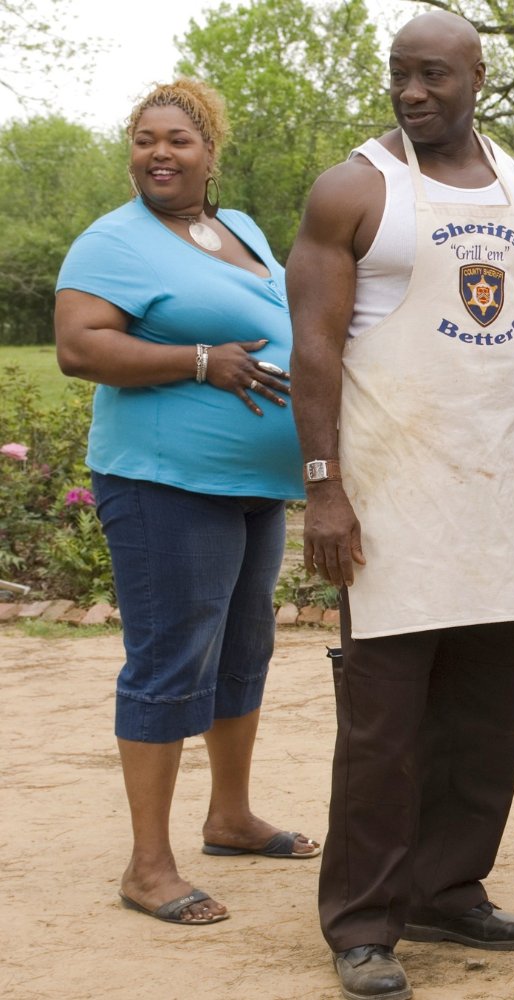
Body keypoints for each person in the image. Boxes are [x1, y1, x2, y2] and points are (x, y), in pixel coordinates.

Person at [285, 12, 514, 1000]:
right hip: (386, 490)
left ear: (475, 76)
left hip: (493, 481)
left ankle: (448, 883)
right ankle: (365, 921)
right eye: (397, 76)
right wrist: (324, 488)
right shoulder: (355, 189)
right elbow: (314, 348)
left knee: (483, 709)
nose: (411, 92)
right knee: (384, 721)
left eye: (430, 76)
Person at [53, 79, 319, 927]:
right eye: (143, 139)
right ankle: (148, 865)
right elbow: (77, 347)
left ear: (211, 152)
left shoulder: (237, 228)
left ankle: (230, 817)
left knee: (244, 649)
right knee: (171, 661)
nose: (158, 153)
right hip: (165, 483)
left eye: (177, 139)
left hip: (251, 486)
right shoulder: (112, 242)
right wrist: (201, 361)